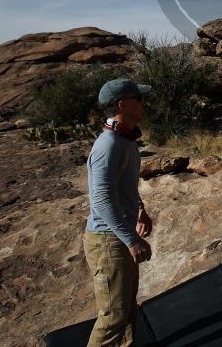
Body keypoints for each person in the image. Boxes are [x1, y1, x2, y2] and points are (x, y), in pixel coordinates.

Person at [83, 78, 154, 346]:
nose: (144, 103)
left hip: (117, 236)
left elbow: (122, 187)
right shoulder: (109, 144)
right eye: (139, 98)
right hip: (108, 241)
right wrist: (131, 239)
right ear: (123, 105)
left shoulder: (125, 140)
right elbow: (100, 200)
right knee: (113, 317)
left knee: (126, 311)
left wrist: (140, 209)